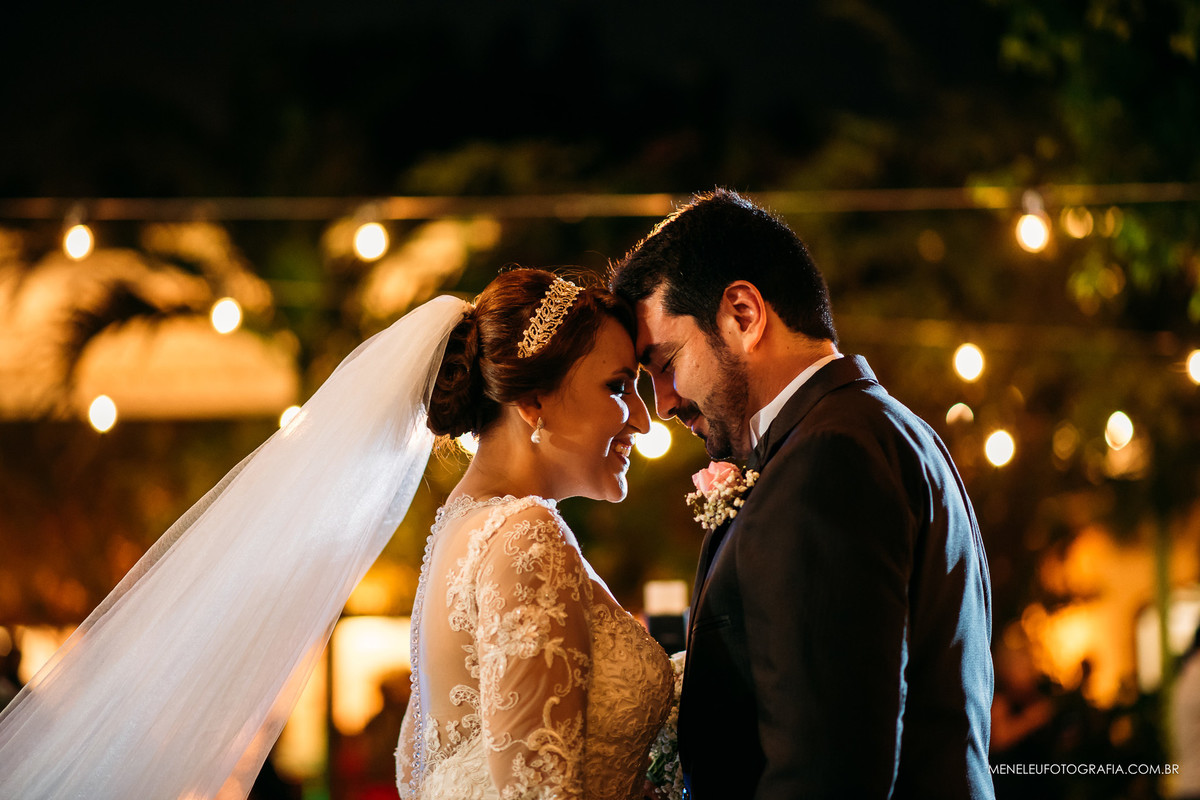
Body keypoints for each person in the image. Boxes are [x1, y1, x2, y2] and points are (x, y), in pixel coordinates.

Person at [0, 268, 672, 800]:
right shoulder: (523, 535)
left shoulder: (463, 531)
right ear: (534, 401)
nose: (642, 419)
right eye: (619, 387)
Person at [610, 189, 995, 799]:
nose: (663, 402)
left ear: (742, 313)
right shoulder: (882, 428)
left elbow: (825, 769)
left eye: (665, 362)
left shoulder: (826, 460)